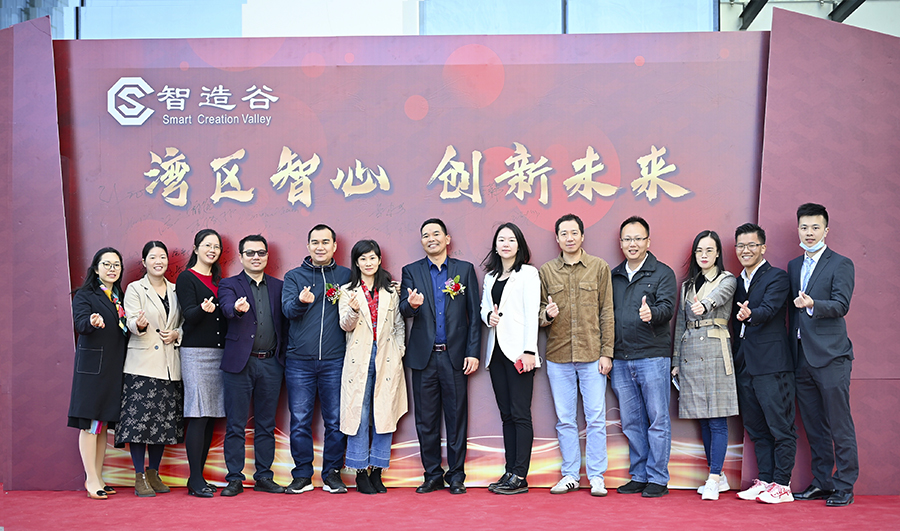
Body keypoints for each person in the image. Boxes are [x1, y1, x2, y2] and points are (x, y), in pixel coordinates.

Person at [399, 218, 481, 495]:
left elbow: (473, 316)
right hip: (424, 358)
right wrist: (411, 305)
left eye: (436, 234)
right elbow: (404, 309)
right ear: (421, 241)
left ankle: (456, 476)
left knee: (456, 419)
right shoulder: (411, 271)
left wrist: (472, 352)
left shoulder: (464, 270)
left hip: (455, 357)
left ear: (447, 239)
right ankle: (432, 474)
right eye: (426, 235)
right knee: (426, 420)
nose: (431, 238)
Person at [538, 214, 614, 497]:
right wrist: (547, 315)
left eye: (574, 233)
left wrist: (607, 353)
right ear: (557, 238)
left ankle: (596, 476)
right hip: (558, 356)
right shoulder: (546, 271)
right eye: (563, 233)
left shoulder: (599, 267)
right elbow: (537, 313)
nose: (569, 238)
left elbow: (607, 312)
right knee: (565, 420)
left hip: (593, 354)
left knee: (596, 418)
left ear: (582, 236)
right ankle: (570, 474)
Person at [788, 203, 857, 507]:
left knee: (839, 424)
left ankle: (845, 485)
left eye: (815, 227)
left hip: (831, 357)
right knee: (815, 426)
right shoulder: (793, 266)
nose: (809, 233)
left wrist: (813, 304)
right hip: (801, 357)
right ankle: (822, 482)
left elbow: (841, 305)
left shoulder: (841, 263)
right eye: (804, 227)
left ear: (826, 230)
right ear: (798, 230)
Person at [610, 215, 677, 498]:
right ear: (620, 243)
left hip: (652, 357)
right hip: (620, 359)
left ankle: (658, 478)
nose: (633, 244)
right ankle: (639, 475)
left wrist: (653, 314)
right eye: (627, 239)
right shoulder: (613, 276)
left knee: (657, 419)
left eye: (638, 238)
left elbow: (668, 308)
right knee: (631, 422)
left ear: (648, 241)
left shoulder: (662, 273)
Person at [282, 224, 351, 494]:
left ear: (334, 246)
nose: (320, 247)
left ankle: (332, 474)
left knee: (335, 421)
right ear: (308, 246)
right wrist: (301, 301)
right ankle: (302, 475)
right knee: (300, 420)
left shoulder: (345, 276)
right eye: (315, 242)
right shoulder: (294, 276)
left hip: (335, 360)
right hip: (299, 361)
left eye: (325, 242)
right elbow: (288, 310)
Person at [731, 223, 797, 504]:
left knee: (781, 427)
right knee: (757, 429)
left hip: (772, 365)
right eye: (741, 246)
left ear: (763, 248)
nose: (745, 250)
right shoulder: (737, 282)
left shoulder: (777, 277)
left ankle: (782, 484)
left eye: (751, 245)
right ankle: (766, 480)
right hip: (745, 364)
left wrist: (750, 315)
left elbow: (769, 310)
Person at [218, 235, 287, 496]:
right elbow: (226, 307)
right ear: (241, 256)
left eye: (260, 252)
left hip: (271, 363)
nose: (255, 257)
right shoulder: (229, 284)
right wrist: (237, 309)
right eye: (250, 253)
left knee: (266, 425)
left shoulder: (279, 286)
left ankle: (264, 476)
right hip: (239, 364)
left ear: (267, 256)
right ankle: (235, 478)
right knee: (236, 424)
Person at [671, 230, 738, 501]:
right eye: (699, 251)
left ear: (718, 252)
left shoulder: (727, 279)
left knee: (717, 417)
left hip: (715, 349)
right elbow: (680, 325)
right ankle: (718, 477)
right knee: (703, 420)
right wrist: (676, 361)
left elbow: (719, 296)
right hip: (690, 350)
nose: (704, 255)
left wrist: (705, 305)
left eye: (709, 250)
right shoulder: (687, 285)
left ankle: (713, 477)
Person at [338, 240, 408, 494]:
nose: (368, 263)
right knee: (360, 412)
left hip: (387, 356)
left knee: (384, 411)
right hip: (359, 357)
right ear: (356, 263)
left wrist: (399, 350)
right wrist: (354, 311)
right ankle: (359, 471)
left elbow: (399, 325)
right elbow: (345, 325)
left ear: (379, 260)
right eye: (363, 259)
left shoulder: (390, 290)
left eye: (372, 258)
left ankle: (377, 470)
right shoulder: (347, 291)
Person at [116, 241, 184, 497]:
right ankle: (139, 476)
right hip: (142, 366)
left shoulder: (176, 289)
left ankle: (154, 473)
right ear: (144, 262)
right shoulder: (135, 288)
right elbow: (131, 320)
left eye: (162, 257)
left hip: (169, 365)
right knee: (139, 424)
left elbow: (184, 322)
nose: (159, 261)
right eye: (153, 257)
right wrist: (140, 324)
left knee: (162, 424)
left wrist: (177, 334)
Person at [481, 223, 540, 495]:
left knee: (520, 413)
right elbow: (484, 308)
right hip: (496, 352)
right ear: (495, 245)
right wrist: (488, 317)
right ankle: (509, 470)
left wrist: (529, 351)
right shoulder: (490, 277)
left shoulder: (528, 273)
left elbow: (531, 313)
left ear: (519, 245)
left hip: (519, 353)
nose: (506, 244)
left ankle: (520, 474)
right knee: (506, 415)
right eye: (501, 239)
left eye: (511, 239)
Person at [67, 247, 128, 500]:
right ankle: (91, 478)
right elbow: (80, 323)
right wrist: (92, 321)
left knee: (102, 425)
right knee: (90, 424)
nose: (112, 269)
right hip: (93, 371)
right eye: (107, 264)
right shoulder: (85, 295)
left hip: (113, 368)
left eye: (116, 265)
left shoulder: (118, 296)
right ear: (95, 268)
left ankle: (99, 476)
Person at [176, 229, 227, 497]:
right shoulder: (187, 278)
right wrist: (202, 310)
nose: (212, 250)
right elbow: (189, 315)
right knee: (197, 414)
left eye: (216, 246)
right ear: (196, 248)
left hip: (219, 354)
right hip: (195, 353)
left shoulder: (220, 281)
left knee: (210, 416)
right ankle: (195, 479)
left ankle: (200, 476)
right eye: (207, 245)